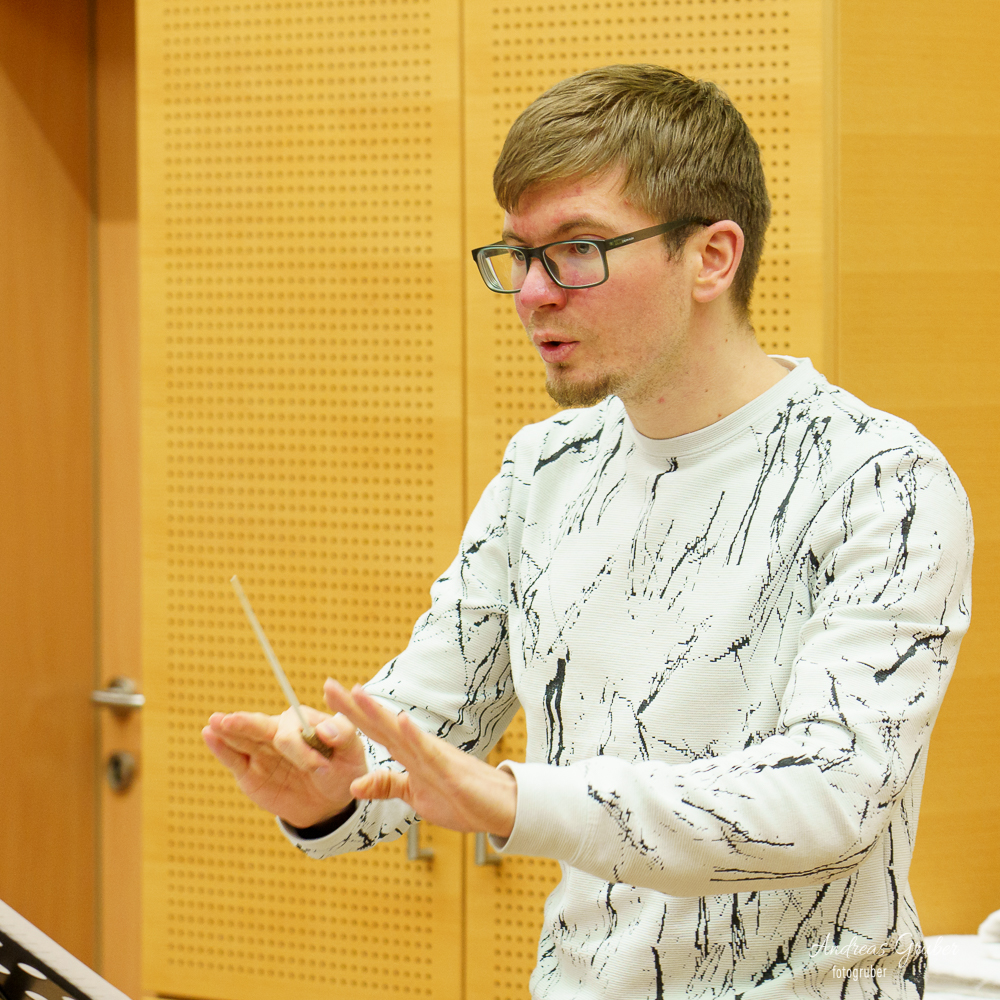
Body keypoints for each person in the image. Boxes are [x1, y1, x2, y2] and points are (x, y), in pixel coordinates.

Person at [203, 65, 973, 997]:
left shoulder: (878, 479)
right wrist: (334, 788)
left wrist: (520, 800)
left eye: (577, 249)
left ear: (712, 257)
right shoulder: (545, 468)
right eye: (518, 254)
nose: (532, 293)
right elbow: (430, 732)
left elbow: (830, 797)